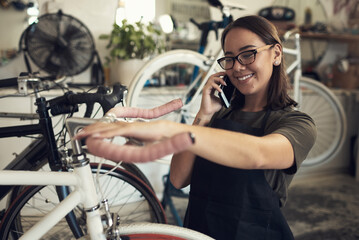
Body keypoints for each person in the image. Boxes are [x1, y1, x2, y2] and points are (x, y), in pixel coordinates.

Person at [75, 15, 316, 240]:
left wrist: (169, 131)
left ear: (276, 53)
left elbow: (258, 154)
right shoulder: (218, 116)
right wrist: (203, 116)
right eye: (230, 58)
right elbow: (179, 179)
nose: (237, 67)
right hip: (199, 231)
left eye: (248, 54)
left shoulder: (297, 125)